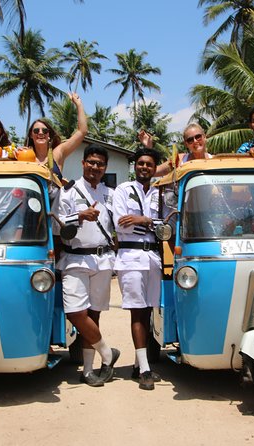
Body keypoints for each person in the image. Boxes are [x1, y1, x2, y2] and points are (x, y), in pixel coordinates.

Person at [56, 145, 120, 387]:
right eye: (91, 162)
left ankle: (89, 370)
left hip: (102, 259)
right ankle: (107, 353)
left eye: (100, 164)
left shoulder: (111, 194)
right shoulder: (68, 192)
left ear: (105, 168)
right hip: (75, 258)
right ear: (83, 163)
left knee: (94, 314)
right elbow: (58, 226)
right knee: (75, 312)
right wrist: (79, 216)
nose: (95, 167)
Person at [112, 148, 164, 391]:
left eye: (149, 164)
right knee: (136, 311)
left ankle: (137, 362)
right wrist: (150, 224)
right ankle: (144, 369)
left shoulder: (159, 192)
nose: (144, 167)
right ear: (135, 166)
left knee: (148, 312)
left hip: (152, 257)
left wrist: (143, 220)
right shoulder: (123, 189)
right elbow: (120, 224)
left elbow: (166, 225)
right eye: (141, 163)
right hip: (130, 256)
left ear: (155, 168)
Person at [20, 93, 87, 179]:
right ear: (31, 135)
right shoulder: (25, 155)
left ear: (49, 135)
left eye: (44, 130)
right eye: (36, 131)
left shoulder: (57, 154)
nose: (40, 133)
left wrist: (79, 104)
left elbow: (82, 131)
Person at [140, 125, 213, 177]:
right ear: (186, 144)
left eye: (198, 137)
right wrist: (148, 147)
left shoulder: (215, 160)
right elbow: (153, 172)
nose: (195, 141)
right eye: (190, 140)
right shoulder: (178, 160)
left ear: (204, 137)